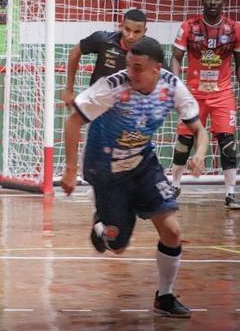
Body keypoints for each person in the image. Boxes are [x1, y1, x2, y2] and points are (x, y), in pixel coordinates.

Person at [61, 36, 208, 318]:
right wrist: (69, 170)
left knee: (173, 231)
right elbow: (73, 121)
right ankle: (101, 227)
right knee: (117, 246)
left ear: (156, 69)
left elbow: (199, 130)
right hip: (106, 169)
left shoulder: (172, 87)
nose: (131, 72)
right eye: (129, 65)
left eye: (138, 67)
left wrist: (199, 154)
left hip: (142, 163)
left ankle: (164, 297)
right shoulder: (112, 87)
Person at [169, 0, 240, 209]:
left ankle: (230, 193)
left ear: (223, 1)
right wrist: (176, 84)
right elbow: (176, 58)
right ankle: (175, 185)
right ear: (202, 0)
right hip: (193, 94)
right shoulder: (189, 26)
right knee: (184, 141)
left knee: (227, 143)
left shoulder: (234, 28)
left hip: (222, 94)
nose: (212, 2)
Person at [61, 9, 148, 109]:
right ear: (121, 26)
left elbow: (166, 80)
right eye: (127, 29)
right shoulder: (103, 40)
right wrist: (69, 90)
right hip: (98, 107)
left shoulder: (150, 51)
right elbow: (74, 53)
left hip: (129, 112)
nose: (131, 36)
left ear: (144, 31)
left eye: (137, 32)